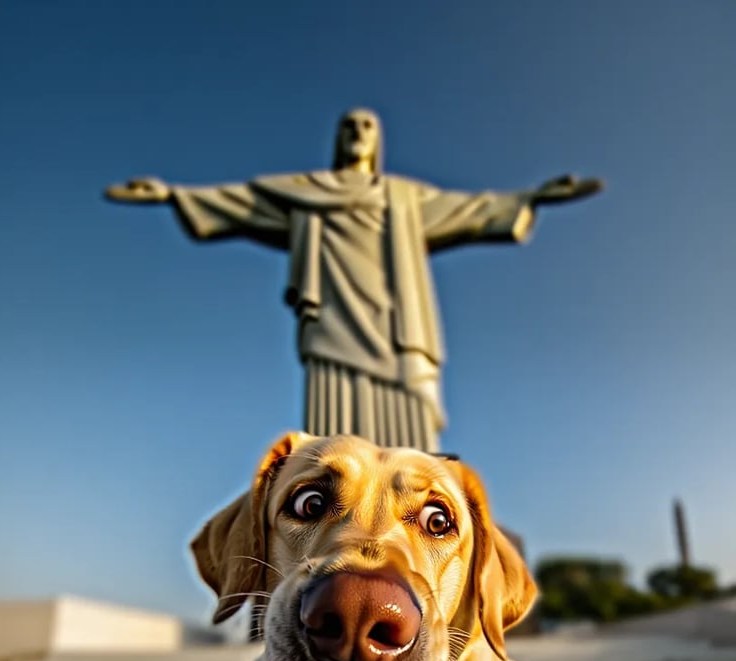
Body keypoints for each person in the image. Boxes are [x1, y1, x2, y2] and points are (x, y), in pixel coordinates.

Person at [106, 108, 602, 452]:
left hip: (397, 323)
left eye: (367, 125)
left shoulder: (403, 196)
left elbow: (472, 209)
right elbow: (240, 203)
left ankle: (410, 508)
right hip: (334, 316)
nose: (358, 131)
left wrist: (532, 197)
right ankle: (340, 505)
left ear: (377, 140)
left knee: (408, 431)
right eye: (349, 125)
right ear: (338, 138)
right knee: (334, 430)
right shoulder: (306, 194)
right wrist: (172, 195)